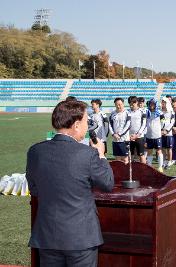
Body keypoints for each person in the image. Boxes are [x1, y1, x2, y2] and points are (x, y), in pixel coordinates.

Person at [26, 100, 114, 267]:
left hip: (47, 236)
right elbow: (107, 183)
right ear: (76, 124)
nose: (87, 127)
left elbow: (34, 189)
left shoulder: (35, 151)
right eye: (86, 121)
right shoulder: (87, 154)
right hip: (81, 238)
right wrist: (101, 154)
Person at [109, 97, 131, 163]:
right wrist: (113, 134)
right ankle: (120, 173)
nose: (118, 106)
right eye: (117, 105)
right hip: (115, 139)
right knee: (117, 159)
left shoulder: (127, 113)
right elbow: (110, 125)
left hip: (124, 140)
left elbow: (128, 125)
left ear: (123, 104)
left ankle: (126, 173)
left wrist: (119, 134)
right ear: (115, 105)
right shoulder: (112, 114)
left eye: (120, 104)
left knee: (125, 159)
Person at [145, 98, 164, 172]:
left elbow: (163, 122)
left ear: (155, 104)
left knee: (159, 151)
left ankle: (160, 167)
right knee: (149, 151)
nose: (151, 105)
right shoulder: (146, 112)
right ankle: (149, 167)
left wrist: (160, 129)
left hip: (157, 135)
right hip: (149, 135)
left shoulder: (160, 113)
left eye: (153, 104)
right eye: (150, 104)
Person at [128, 96, 147, 164]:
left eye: (133, 103)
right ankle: (130, 170)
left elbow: (144, 124)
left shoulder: (142, 111)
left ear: (136, 102)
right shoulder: (127, 112)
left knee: (141, 155)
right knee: (130, 154)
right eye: (130, 103)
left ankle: (144, 170)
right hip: (129, 137)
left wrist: (137, 134)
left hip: (139, 136)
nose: (131, 105)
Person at [161, 97, 175, 169]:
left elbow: (172, 122)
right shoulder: (160, 112)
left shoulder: (171, 112)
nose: (162, 104)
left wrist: (166, 130)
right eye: (162, 102)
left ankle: (169, 162)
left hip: (168, 133)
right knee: (162, 148)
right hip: (161, 133)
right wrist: (161, 130)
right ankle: (164, 162)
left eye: (164, 102)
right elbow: (159, 122)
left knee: (169, 148)